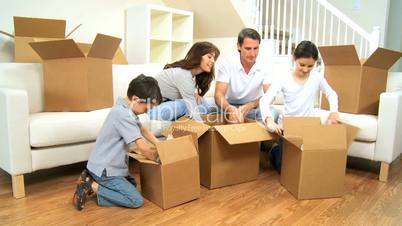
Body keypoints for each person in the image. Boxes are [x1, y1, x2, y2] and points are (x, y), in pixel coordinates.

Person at [73, 74, 162, 211]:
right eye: (147, 108)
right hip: (105, 169)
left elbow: (143, 130)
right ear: (135, 99)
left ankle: (91, 177)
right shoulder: (124, 115)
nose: (147, 112)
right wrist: (159, 159)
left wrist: (161, 145)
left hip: (104, 164)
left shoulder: (125, 107)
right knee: (135, 199)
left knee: (132, 185)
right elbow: (143, 148)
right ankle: (91, 185)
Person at [259, 40, 340, 173]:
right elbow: (264, 100)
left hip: (308, 128)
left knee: (307, 168)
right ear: (293, 58)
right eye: (301, 64)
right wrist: (269, 120)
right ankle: (275, 150)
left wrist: (334, 111)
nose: (305, 69)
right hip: (287, 128)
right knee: (286, 170)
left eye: (310, 66)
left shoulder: (316, 77)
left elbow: (331, 94)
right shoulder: (283, 78)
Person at [214, 28, 278, 123]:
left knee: (273, 113)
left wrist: (250, 105)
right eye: (248, 49)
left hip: (252, 108)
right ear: (239, 46)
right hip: (228, 105)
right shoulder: (226, 63)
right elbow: (219, 95)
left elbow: (270, 95)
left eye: (255, 48)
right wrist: (230, 110)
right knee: (203, 106)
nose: (252, 54)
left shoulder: (265, 65)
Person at [148, 41, 220, 121]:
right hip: (153, 111)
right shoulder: (183, 74)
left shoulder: (188, 75)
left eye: (214, 58)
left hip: (166, 105)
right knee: (188, 104)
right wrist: (204, 128)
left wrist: (193, 95)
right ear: (198, 57)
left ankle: (219, 117)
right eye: (209, 57)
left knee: (211, 101)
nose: (213, 61)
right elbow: (192, 109)